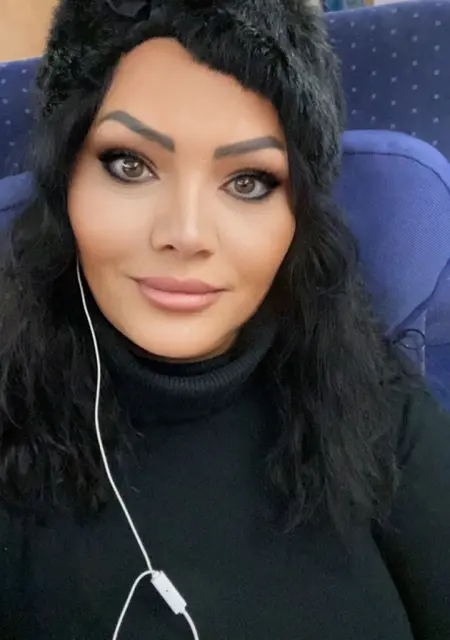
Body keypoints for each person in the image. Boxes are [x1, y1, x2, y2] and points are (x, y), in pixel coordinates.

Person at [0, 0, 449, 638]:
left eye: (248, 182)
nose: (186, 234)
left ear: (299, 216)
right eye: (129, 164)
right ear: (63, 183)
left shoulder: (381, 404)